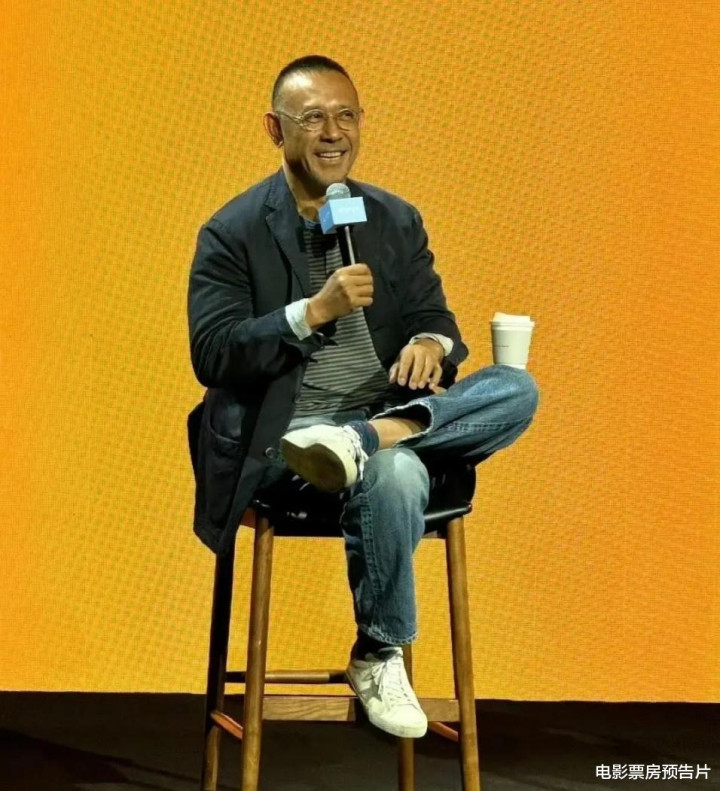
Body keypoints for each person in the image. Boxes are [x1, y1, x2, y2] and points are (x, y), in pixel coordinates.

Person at [187, 55, 539, 741]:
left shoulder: (394, 219)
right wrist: (309, 313)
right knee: (398, 471)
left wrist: (432, 344)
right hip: (287, 441)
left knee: (517, 388)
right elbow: (214, 353)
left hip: (379, 417)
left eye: (346, 116)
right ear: (276, 129)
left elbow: (436, 318)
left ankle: (368, 437)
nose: (333, 133)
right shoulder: (232, 232)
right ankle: (380, 653)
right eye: (313, 118)